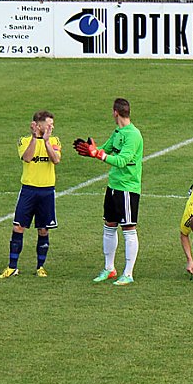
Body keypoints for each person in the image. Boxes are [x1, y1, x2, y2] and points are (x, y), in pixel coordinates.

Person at [74, 98, 144, 286]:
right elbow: (105, 149)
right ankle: (109, 268)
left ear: (115, 112)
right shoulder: (118, 132)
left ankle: (128, 273)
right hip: (113, 187)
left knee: (129, 229)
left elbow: (121, 161)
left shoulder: (133, 135)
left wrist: (100, 154)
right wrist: (93, 151)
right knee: (109, 225)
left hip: (128, 188)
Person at [0, 111, 61, 279]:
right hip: (28, 190)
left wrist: (46, 142)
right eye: (48, 124)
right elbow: (27, 157)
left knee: (43, 230)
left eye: (52, 124)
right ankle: (12, 267)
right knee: (18, 227)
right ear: (38, 125)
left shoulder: (54, 141)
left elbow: (55, 160)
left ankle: (40, 267)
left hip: (47, 191)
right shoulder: (24, 140)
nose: (51, 127)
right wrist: (35, 138)